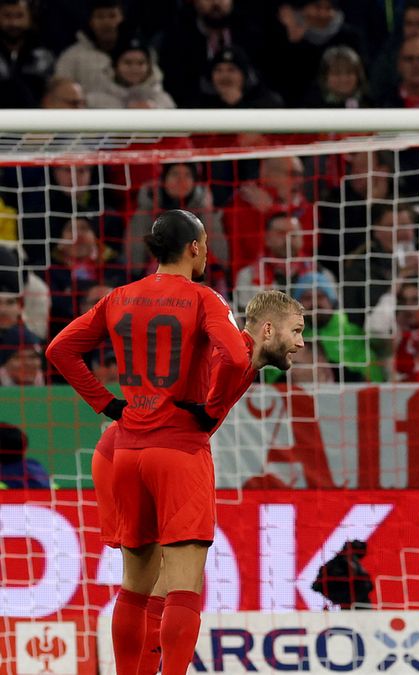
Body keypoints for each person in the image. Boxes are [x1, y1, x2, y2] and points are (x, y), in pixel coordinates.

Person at [44, 209, 252, 675]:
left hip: (127, 450)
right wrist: (211, 408)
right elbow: (237, 357)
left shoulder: (120, 296)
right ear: (195, 248)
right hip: (179, 448)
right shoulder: (203, 298)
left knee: (133, 587)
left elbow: (60, 349)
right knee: (182, 585)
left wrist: (108, 405)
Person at [93, 288, 306, 675]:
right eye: (296, 331)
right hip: (135, 451)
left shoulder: (239, 362)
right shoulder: (227, 353)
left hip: (121, 452)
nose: (301, 342)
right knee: (169, 583)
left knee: (155, 585)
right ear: (269, 329)